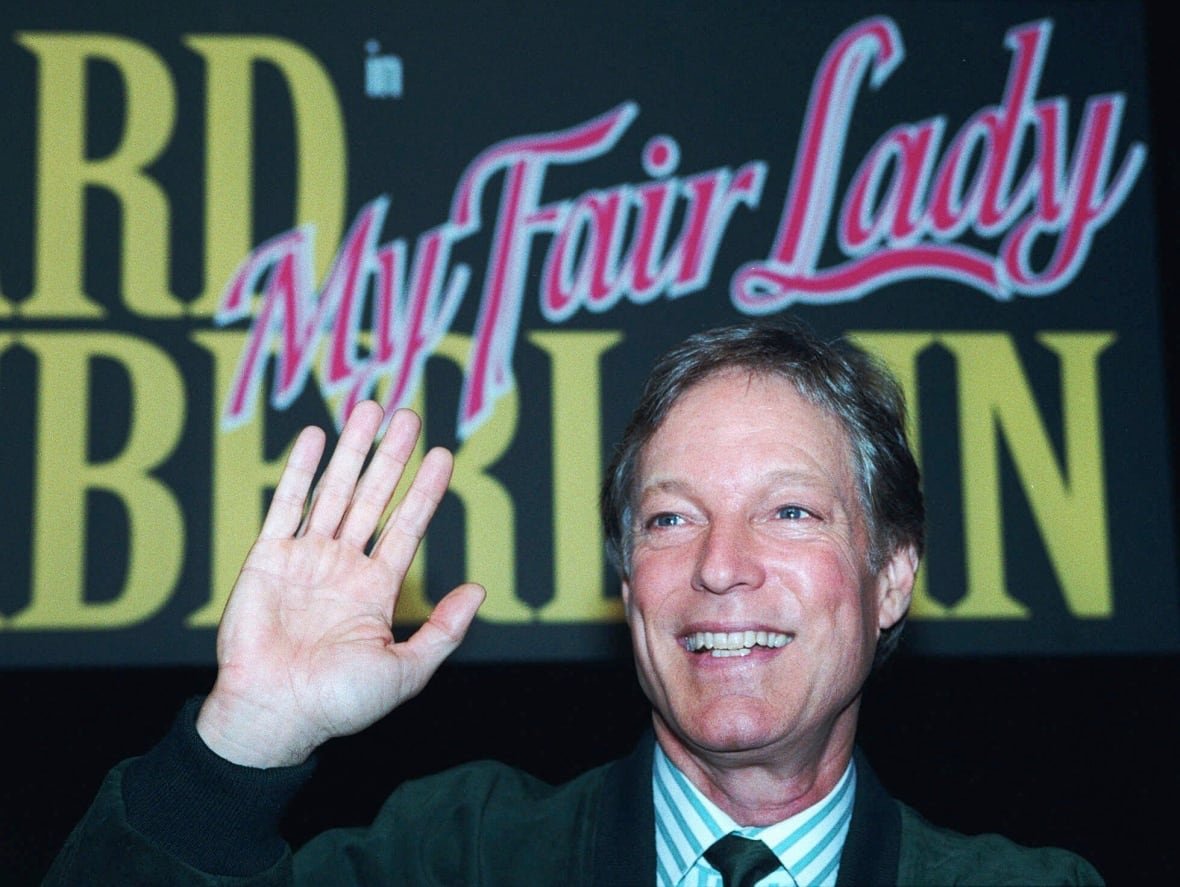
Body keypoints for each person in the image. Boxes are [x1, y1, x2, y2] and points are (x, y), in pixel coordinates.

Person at [47, 320, 1102, 885]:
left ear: (890, 577)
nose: (719, 566)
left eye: (788, 512)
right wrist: (242, 740)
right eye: (668, 519)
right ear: (625, 578)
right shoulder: (452, 853)